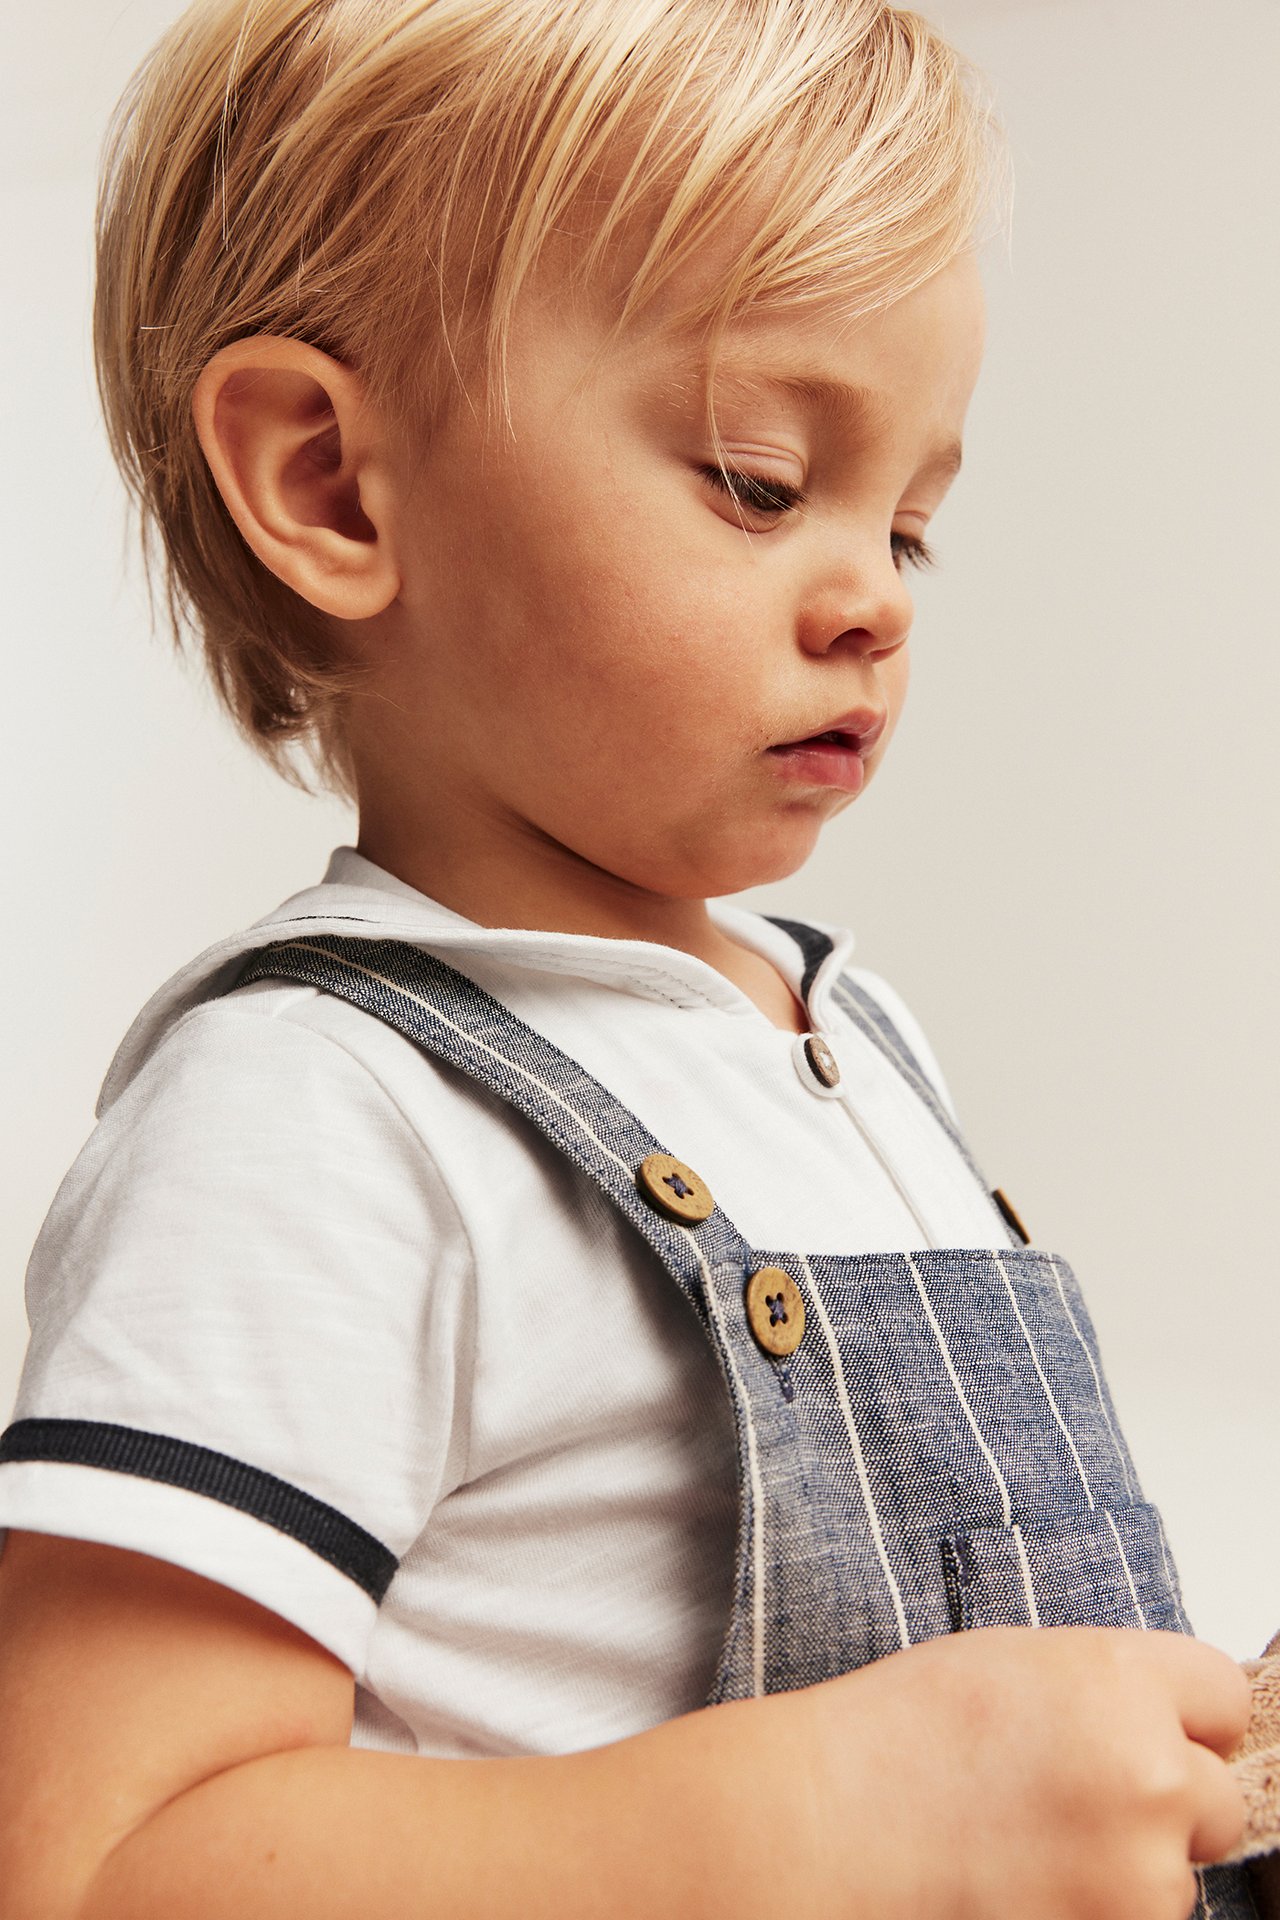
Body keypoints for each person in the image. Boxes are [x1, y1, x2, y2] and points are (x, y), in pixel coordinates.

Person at [0, 1, 1262, 1916]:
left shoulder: (845, 1033)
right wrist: (828, 1825)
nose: (872, 599)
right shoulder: (314, 1118)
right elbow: (93, 1863)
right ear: (332, 485)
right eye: (760, 479)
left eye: (911, 528)